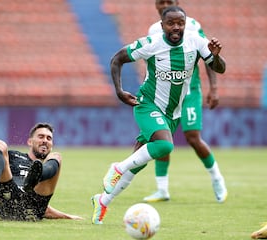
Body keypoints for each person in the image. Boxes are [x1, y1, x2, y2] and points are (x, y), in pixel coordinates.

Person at [91, 6, 226, 224]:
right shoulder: (151, 43)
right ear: (161, 25)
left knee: (138, 163)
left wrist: (217, 57)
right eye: (171, 23)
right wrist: (119, 91)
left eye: (180, 23)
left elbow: (219, 68)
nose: (176, 27)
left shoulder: (197, 41)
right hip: (148, 104)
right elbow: (117, 59)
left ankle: (103, 201)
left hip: (173, 113)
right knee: (165, 146)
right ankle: (117, 167)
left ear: (185, 23)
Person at [138, 0, 228, 203]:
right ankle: (162, 189)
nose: (164, 5)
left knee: (193, 137)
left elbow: (209, 58)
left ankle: (217, 178)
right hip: (164, 94)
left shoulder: (193, 26)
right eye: (161, 2)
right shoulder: (154, 29)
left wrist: (213, 88)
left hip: (189, 91)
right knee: (162, 138)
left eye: (169, 2)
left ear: (177, 3)